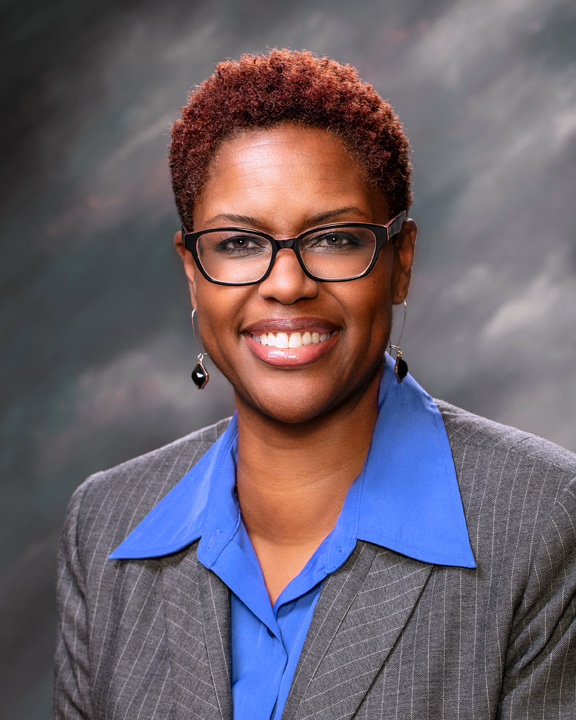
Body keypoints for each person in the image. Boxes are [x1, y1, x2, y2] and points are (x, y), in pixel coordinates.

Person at [52, 49, 576, 719]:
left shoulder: (544, 522)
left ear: (401, 262)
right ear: (193, 271)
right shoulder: (104, 524)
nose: (287, 283)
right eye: (239, 244)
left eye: (333, 238)